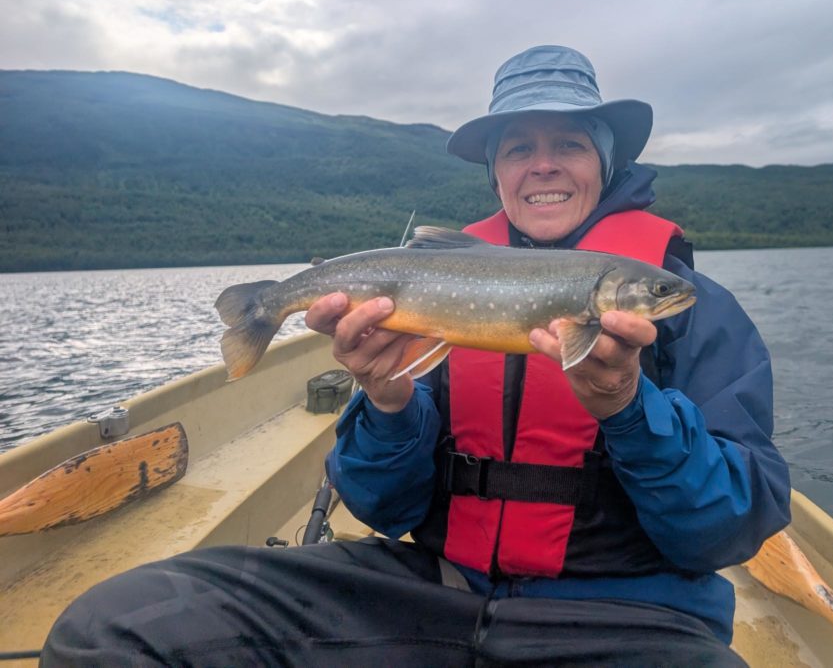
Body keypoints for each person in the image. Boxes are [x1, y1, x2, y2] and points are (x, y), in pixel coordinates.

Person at [42, 46, 790, 667]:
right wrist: (388, 398)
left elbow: (729, 527)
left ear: (606, 161)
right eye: (519, 148)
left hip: (626, 616)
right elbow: (384, 507)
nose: (544, 165)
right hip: (435, 592)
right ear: (496, 173)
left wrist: (629, 410)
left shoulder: (694, 306)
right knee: (112, 626)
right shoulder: (438, 279)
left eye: (569, 144)